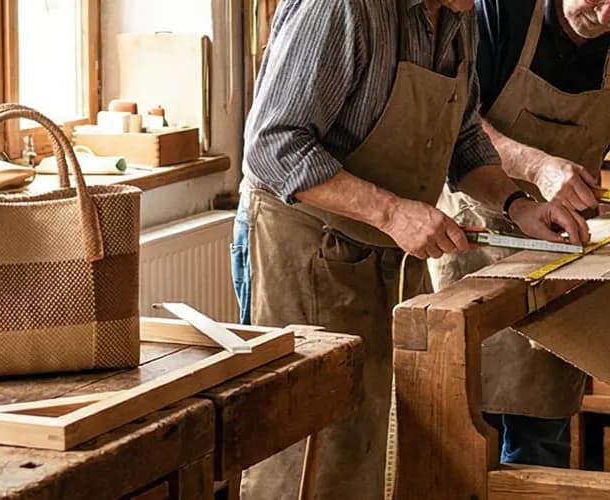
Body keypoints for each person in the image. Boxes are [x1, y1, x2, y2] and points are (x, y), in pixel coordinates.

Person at [236, 1, 590, 499]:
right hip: (306, 249)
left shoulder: (457, 12)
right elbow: (273, 145)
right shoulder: (344, 8)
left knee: (383, 446)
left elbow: (464, 139)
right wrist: (393, 213)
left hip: (386, 251)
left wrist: (517, 205)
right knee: (311, 457)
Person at [430, 0, 610, 469]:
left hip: (563, 249)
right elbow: (459, 124)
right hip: (478, 237)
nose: (608, 13)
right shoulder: (498, 13)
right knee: (463, 430)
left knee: (542, 431)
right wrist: (538, 167)